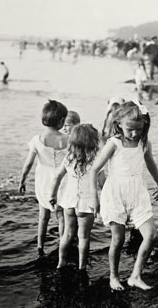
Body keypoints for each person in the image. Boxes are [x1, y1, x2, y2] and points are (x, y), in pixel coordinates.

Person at [90, 101, 158, 291]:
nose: (134, 133)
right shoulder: (114, 143)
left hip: (137, 192)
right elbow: (95, 170)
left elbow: (151, 165)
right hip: (115, 193)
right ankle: (113, 276)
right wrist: (94, 198)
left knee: (152, 235)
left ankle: (135, 275)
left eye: (139, 129)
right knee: (118, 239)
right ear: (119, 124)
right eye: (130, 129)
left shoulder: (144, 142)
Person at [18, 100, 69, 256]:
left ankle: (40, 246)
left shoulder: (37, 140)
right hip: (62, 180)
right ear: (61, 121)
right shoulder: (67, 139)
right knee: (61, 216)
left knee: (43, 216)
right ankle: (63, 245)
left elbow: (28, 163)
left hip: (44, 180)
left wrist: (22, 180)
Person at [49, 124, 99, 271]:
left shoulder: (69, 158)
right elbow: (103, 183)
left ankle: (61, 262)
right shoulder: (95, 161)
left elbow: (57, 177)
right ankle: (82, 266)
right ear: (93, 141)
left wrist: (52, 195)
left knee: (67, 234)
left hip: (69, 202)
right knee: (83, 237)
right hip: (87, 204)